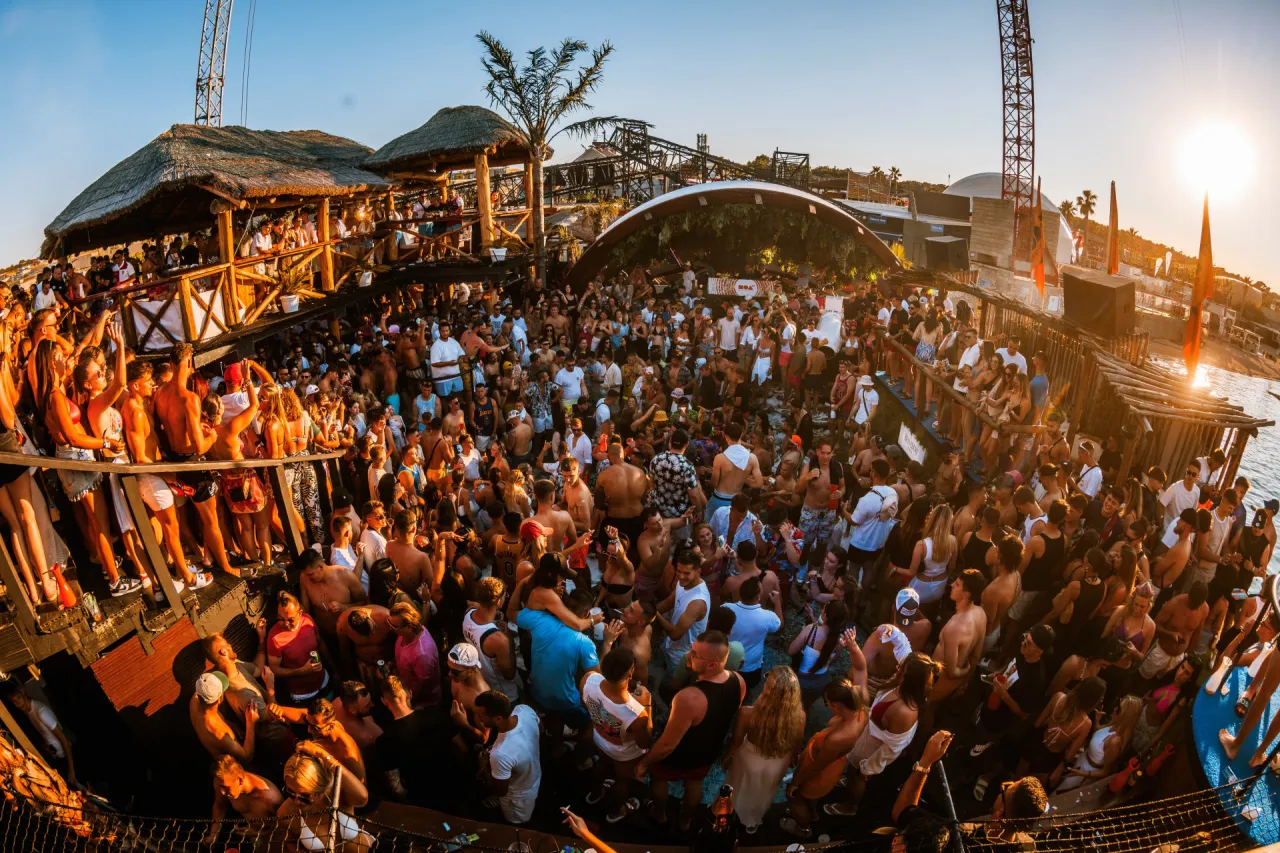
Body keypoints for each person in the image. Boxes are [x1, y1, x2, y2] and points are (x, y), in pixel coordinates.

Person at [635, 631, 746, 831]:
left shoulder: (689, 698)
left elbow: (668, 744)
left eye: (694, 654)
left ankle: (660, 815)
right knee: (694, 784)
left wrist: (644, 762)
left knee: (659, 778)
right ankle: (685, 821)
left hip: (680, 754)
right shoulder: (739, 681)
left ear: (712, 664)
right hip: (709, 751)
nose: (688, 655)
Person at [826, 651, 937, 818]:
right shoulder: (898, 685)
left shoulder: (905, 711)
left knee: (858, 776)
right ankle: (850, 780)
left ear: (910, 679)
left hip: (872, 749)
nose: (897, 668)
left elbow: (893, 747)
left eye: (902, 669)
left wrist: (869, 767)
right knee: (852, 770)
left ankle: (850, 807)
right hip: (867, 736)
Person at [721, 666, 806, 833]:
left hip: (749, 759)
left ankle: (729, 811)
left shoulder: (747, 713)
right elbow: (796, 742)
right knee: (764, 791)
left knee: (740, 786)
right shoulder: (800, 716)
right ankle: (751, 822)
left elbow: (737, 741)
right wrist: (793, 758)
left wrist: (728, 756)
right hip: (779, 761)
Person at [581, 646, 652, 823]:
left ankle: (594, 794)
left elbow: (586, 705)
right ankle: (615, 812)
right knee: (623, 781)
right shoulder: (635, 712)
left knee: (601, 765)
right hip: (624, 754)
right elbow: (644, 743)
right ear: (630, 674)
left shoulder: (588, 679)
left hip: (600, 738)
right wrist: (647, 705)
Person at [277, 742, 373, 853]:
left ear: (322, 788)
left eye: (305, 796)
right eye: (291, 793)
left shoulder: (339, 792)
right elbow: (289, 841)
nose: (297, 801)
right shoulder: (286, 813)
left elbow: (363, 798)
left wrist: (323, 755)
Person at [375, 675, 451, 802]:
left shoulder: (384, 741)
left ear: (384, 701)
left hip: (422, 797)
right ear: (409, 693)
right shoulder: (435, 716)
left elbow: (397, 787)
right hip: (451, 785)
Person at [475, 691, 542, 825]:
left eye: (481, 715)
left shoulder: (500, 754)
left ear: (498, 719)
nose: (478, 718)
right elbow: (541, 726)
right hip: (534, 775)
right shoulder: (524, 710)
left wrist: (484, 766)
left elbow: (501, 791)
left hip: (517, 798)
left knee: (517, 821)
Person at [931, 570, 988, 701]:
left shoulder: (955, 627)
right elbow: (976, 655)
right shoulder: (980, 613)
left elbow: (951, 672)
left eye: (957, 584)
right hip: (953, 679)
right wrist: (964, 681)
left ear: (966, 594)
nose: (951, 585)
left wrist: (964, 672)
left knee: (927, 710)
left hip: (940, 679)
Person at [266, 592, 330, 706]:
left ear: (300, 613)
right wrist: (301, 671)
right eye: (281, 619)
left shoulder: (308, 620)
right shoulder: (273, 638)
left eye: (290, 619)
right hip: (303, 694)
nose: (285, 624)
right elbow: (274, 669)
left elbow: (320, 642)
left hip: (324, 681)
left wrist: (332, 670)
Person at [656, 549, 712, 672]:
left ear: (698, 571)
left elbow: (676, 634)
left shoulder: (697, 602)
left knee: (669, 685)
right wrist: (648, 608)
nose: (681, 576)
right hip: (669, 644)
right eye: (679, 571)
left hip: (681, 656)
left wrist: (654, 614)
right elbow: (669, 602)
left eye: (686, 573)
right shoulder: (683, 583)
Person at [724, 576, 783, 688]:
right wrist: (777, 602)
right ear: (758, 597)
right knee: (746, 690)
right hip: (750, 666)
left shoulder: (726, 608)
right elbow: (779, 626)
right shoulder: (767, 617)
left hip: (727, 661)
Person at [388, 602, 441, 708]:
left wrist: (409, 701)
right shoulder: (405, 634)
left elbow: (424, 686)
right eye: (389, 623)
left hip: (421, 703)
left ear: (409, 626)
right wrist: (390, 664)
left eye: (394, 626)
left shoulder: (422, 654)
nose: (390, 628)